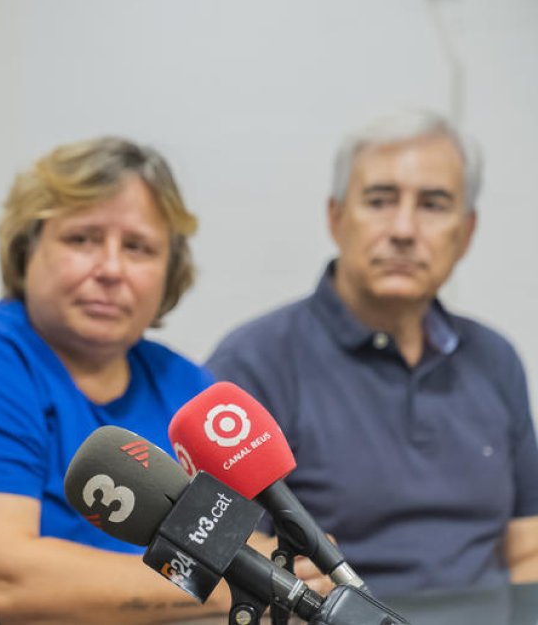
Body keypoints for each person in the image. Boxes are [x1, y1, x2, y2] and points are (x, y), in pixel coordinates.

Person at [0, 137, 317, 623]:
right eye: (82, 239)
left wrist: (284, 573)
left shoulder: (185, 384)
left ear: (168, 272)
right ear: (28, 249)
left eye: (138, 248)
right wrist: (250, 582)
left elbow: (241, 547)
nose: (110, 269)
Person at [207, 108, 538, 597]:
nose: (404, 229)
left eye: (433, 204)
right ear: (336, 218)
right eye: (380, 200)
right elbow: (216, 557)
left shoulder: (494, 358)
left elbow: (527, 547)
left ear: (466, 232)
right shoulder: (254, 363)